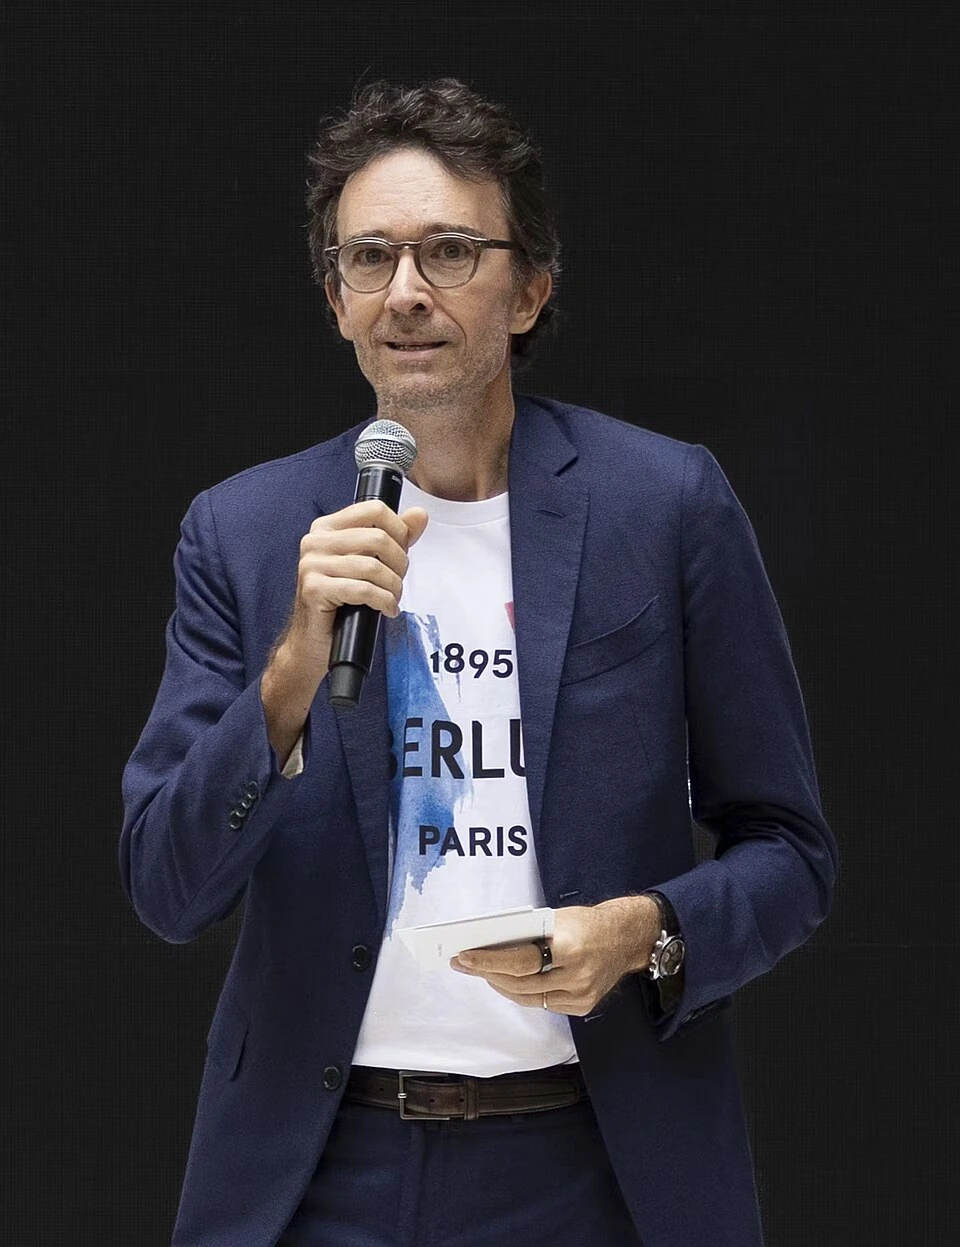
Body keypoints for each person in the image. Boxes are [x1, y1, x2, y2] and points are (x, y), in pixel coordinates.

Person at [120, 78, 838, 1247]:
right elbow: (165, 886)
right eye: (370, 258)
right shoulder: (247, 535)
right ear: (337, 300)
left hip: (593, 1163)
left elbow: (794, 855)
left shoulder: (663, 505)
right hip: (316, 1169)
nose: (406, 291)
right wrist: (292, 674)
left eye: (450, 251)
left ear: (530, 289)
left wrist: (645, 931)